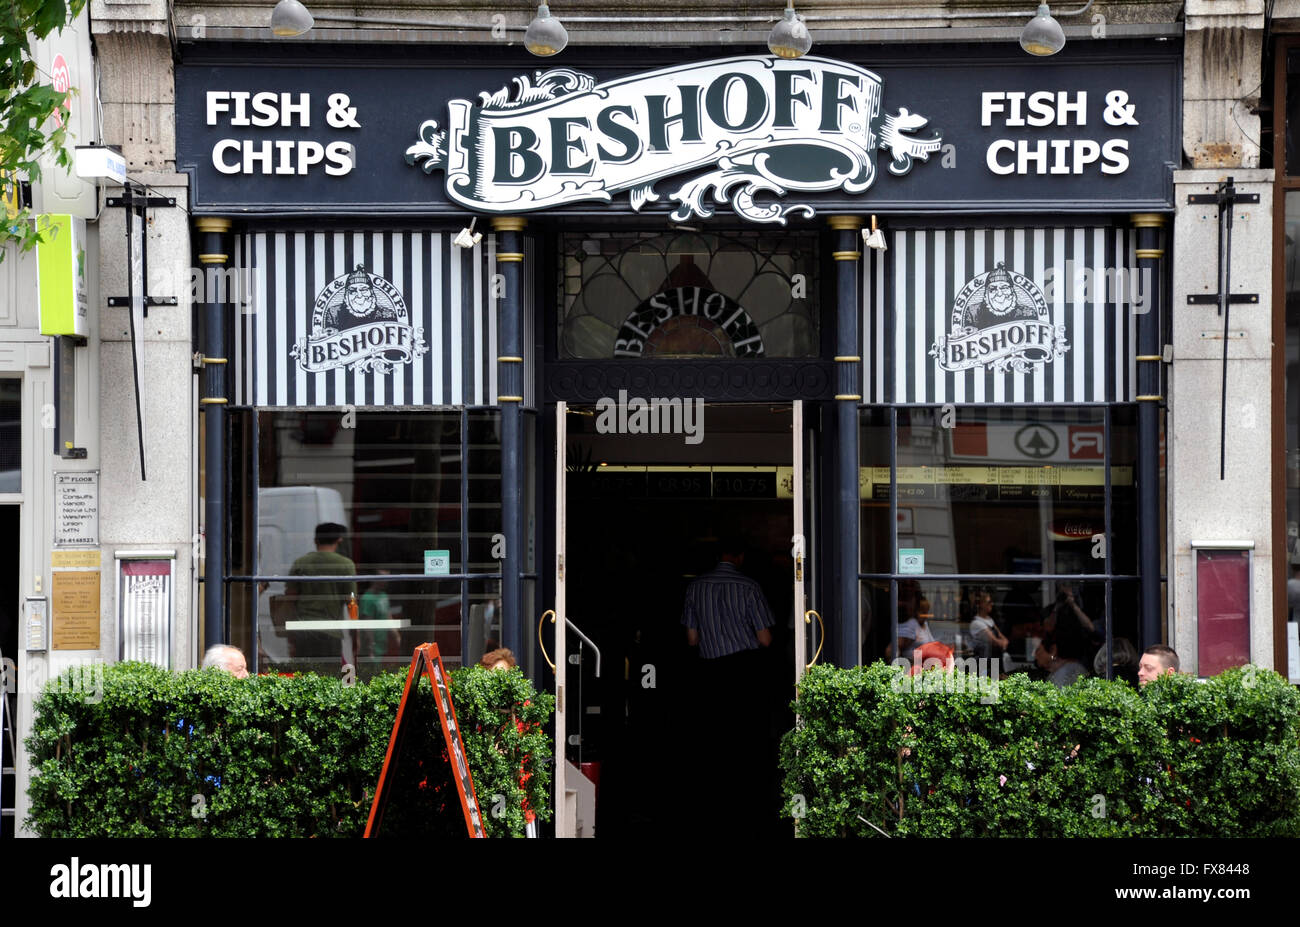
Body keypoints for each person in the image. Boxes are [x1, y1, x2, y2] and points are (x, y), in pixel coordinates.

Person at [286, 522, 357, 661]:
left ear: (315, 540)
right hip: (331, 632)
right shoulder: (346, 565)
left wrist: (290, 633)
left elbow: (289, 599)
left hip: (304, 629)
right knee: (328, 676)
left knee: (302, 674)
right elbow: (351, 603)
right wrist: (355, 633)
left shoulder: (301, 563)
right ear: (339, 540)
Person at [968, 591, 1009, 661]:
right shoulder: (976, 623)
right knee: (986, 672)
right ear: (981, 604)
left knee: (996, 672)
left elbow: (1002, 637)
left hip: (994, 660)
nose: (992, 604)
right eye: (989, 602)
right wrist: (1002, 643)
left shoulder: (990, 620)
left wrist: (1003, 642)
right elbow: (995, 642)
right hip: (983, 661)